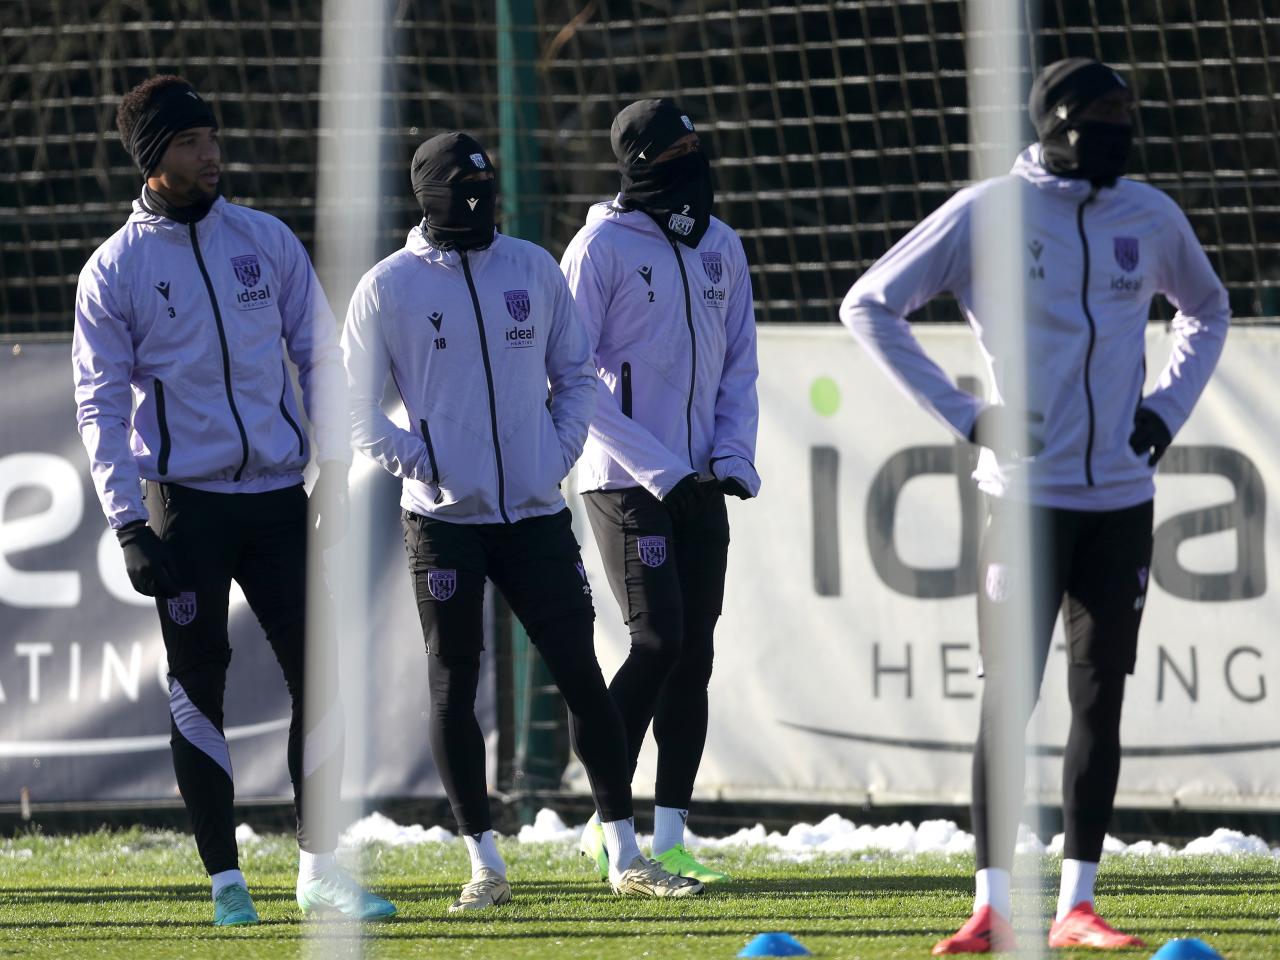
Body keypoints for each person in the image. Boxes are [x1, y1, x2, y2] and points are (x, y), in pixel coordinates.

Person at [840, 59, 1228, 953]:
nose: (1122, 128)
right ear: (1057, 123)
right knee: (1009, 698)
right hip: (1024, 502)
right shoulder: (990, 213)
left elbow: (1208, 307)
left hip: (1121, 501)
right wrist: (969, 417)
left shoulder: (1150, 214)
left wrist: (1167, 410)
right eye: (1104, 114)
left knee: (1100, 697)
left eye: (1128, 112)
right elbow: (871, 305)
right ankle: (992, 907)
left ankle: (1077, 906)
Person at [341, 131, 704, 911]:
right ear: (428, 199)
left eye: (487, 192)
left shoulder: (532, 268)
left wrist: (556, 454)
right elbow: (353, 409)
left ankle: (626, 853)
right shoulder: (387, 287)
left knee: (581, 675)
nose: (478, 207)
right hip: (443, 522)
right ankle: (485, 865)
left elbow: (575, 376)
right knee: (453, 684)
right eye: (461, 195)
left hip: (536, 515)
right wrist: (425, 463)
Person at [72, 75, 396, 927]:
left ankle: (320, 871)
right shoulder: (115, 269)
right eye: (190, 143)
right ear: (152, 159)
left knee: (321, 678)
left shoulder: (265, 239)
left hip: (280, 499)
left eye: (213, 136)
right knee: (197, 687)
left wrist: (332, 465)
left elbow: (320, 355)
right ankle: (226, 884)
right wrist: (127, 521)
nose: (211, 154)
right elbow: (99, 406)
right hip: (186, 508)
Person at [560, 99, 760, 883]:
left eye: (696, 146)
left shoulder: (723, 245)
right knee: (657, 641)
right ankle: (609, 817)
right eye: (677, 152)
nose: (694, 163)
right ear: (640, 164)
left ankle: (671, 834)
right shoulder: (598, 247)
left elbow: (739, 363)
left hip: (701, 480)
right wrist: (660, 469)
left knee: (694, 655)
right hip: (624, 480)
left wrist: (731, 455)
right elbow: (572, 377)